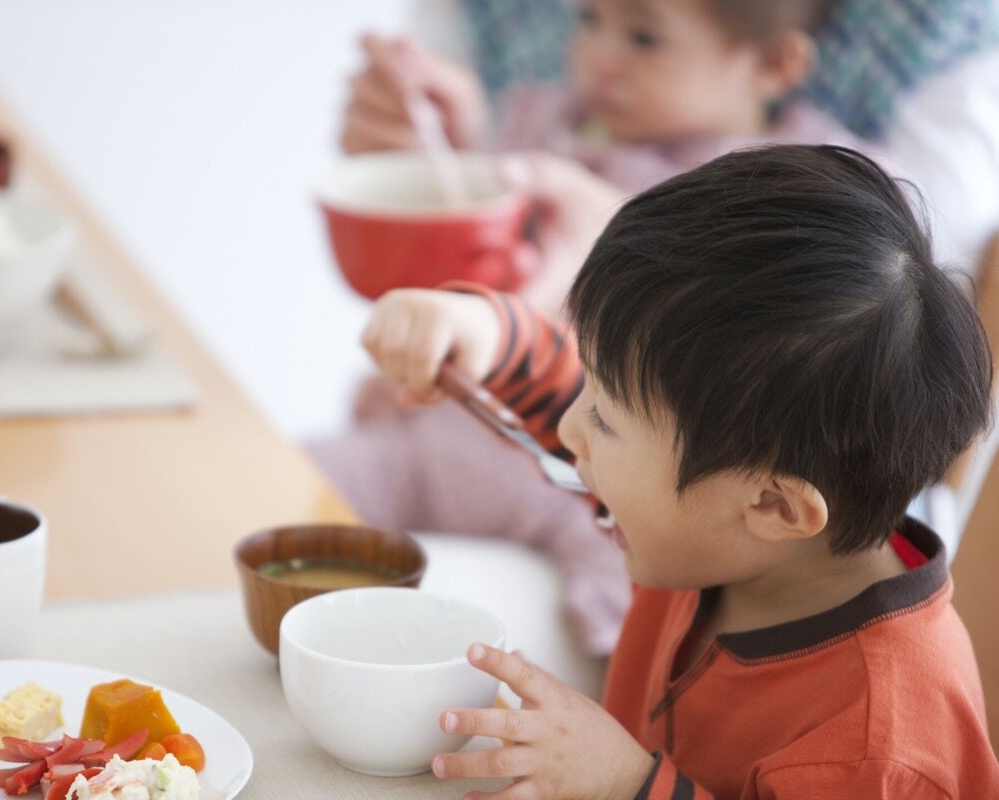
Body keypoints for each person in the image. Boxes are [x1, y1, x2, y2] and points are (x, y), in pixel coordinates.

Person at [359, 144, 999, 797]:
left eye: (604, 418)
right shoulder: (720, 527)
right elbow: (622, 427)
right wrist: (489, 336)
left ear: (777, 507)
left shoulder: (882, 755)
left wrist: (628, 784)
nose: (574, 429)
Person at [311, 0, 871, 661]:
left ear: (773, 65)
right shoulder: (543, 122)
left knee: (630, 594)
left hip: (594, 490)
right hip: (433, 441)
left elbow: (822, 339)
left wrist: (616, 231)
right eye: (588, 19)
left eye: (643, 37)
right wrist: (454, 150)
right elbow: (487, 262)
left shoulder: (804, 189)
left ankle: (634, 696)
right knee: (282, 497)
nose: (598, 57)